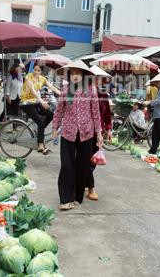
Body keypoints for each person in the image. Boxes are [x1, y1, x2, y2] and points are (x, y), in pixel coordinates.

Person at [52, 61, 103, 210]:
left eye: (77, 73)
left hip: (86, 133)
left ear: (83, 75)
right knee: (67, 166)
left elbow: (95, 113)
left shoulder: (91, 90)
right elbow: (59, 111)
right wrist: (55, 127)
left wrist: (99, 133)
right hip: (68, 132)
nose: (75, 76)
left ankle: (76, 197)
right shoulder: (65, 90)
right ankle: (65, 198)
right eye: (72, 73)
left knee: (82, 167)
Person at [20, 64, 60, 154]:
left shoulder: (42, 79)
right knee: (41, 123)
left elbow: (52, 87)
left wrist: (62, 94)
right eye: (35, 70)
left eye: (38, 70)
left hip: (35, 102)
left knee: (51, 115)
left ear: (41, 72)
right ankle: (40, 145)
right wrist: (42, 101)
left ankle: (40, 132)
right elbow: (33, 91)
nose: (36, 72)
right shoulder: (28, 77)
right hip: (26, 102)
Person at [86, 65, 112, 201]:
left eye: (99, 79)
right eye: (94, 78)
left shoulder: (103, 95)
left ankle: (86, 182)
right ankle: (90, 188)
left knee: (93, 161)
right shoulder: (83, 93)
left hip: (98, 133)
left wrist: (109, 129)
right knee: (85, 160)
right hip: (84, 132)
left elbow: (107, 113)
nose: (97, 81)